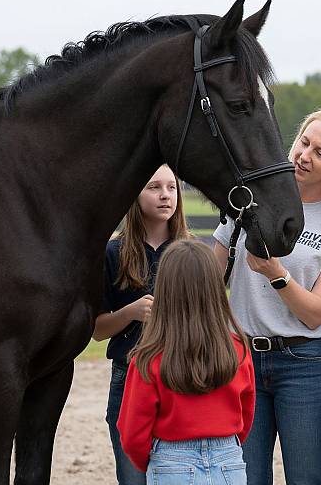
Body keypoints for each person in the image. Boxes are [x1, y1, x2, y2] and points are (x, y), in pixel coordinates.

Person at [213, 107, 321, 485]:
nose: (303, 155)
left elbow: (316, 313)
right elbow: (212, 276)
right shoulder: (249, 198)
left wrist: (276, 274)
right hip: (243, 359)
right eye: (304, 142)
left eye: (320, 152)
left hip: (304, 364)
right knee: (246, 479)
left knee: (306, 479)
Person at [116, 240, 255, 484]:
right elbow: (246, 414)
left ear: (165, 289)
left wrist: (155, 462)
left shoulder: (148, 358)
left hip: (171, 461)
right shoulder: (238, 349)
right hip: (229, 461)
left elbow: (132, 433)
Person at [92, 164, 190, 485]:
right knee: (133, 479)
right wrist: (130, 313)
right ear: (134, 193)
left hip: (181, 378)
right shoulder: (113, 252)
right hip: (128, 377)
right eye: (154, 187)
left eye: (172, 188)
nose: (165, 195)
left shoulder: (191, 253)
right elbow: (97, 331)